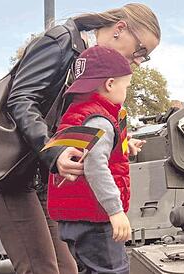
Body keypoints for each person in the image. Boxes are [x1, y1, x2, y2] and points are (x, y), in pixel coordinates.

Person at [0, 4, 160, 274]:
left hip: (38, 171)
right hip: (1, 168)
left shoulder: (88, 61)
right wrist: (54, 152)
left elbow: (71, 120)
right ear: (120, 29)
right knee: (41, 268)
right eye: (141, 51)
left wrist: (117, 144)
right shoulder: (61, 42)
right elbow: (22, 100)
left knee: (66, 268)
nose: (139, 61)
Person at [48, 46, 137, 274]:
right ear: (110, 84)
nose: (126, 91)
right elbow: (95, 165)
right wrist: (115, 211)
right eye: (126, 85)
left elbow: (93, 149)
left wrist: (127, 147)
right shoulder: (100, 121)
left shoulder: (79, 113)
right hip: (95, 217)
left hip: (74, 217)